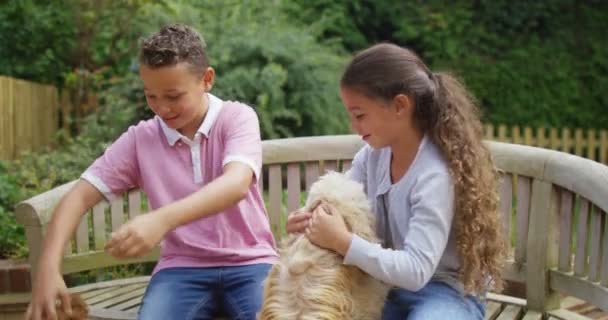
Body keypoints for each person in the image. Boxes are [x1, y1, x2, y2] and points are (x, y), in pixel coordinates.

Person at [26, 24, 277, 320]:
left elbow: (235, 184)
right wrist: (48, 267)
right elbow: (78, 197)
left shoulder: (237, 118)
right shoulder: (140, 139)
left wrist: (160, 219)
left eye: (173, 96)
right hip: (181, 270)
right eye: (151, 96)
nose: (162, 109)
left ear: (206, 79)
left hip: (252, 263)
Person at [287, 43, 506, 320]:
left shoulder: (435, 174)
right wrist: (309, 221)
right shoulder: (372, 157)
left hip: (446, 292)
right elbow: (343, 210)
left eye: (360, 115)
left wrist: (343, 242)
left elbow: (416, 271)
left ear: (400, 105)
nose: (354, 127)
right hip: (383, 287)